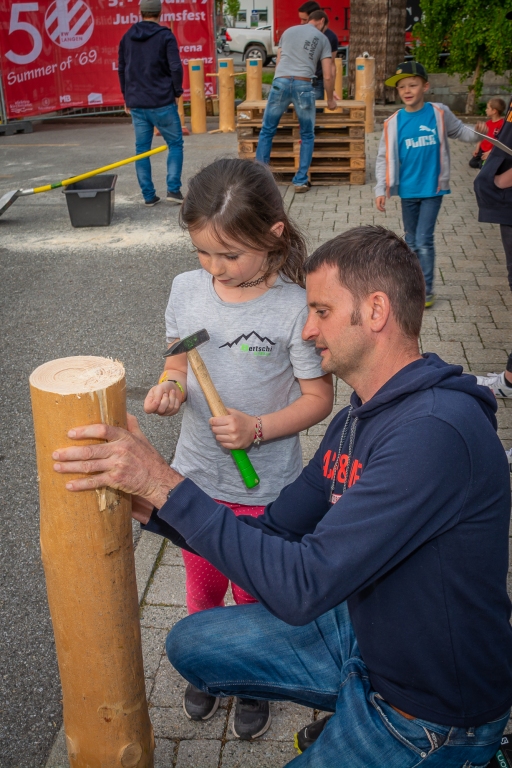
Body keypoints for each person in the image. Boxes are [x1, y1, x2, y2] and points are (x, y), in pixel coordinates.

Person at [54, 225, 512, 767]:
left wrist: (164, 482)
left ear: (375, 310)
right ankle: (348, 695)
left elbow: (301, 586)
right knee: (190, 643)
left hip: (429, 708)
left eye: (321, 310)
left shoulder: (433, 433)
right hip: (368, 636)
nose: (308, 327)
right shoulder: (354, 421)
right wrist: (155, 506)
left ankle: (466, 752)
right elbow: (273, 530)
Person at [142, 158, 333, 739]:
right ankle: (208, 665)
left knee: (254, 593)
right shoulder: (187, 289)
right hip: (196, 479)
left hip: (266, 488)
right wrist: (171, 387)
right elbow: (179, 359)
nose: (214, 268)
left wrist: (258, 428)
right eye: (203, 252)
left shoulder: (294, 307)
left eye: (229, 255)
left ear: (273, 233)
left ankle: (253, 678)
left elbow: (319, 399)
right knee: (202, 588)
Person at [375, 61, 485, 309]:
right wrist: (380, 188)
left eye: (413, 85)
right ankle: (413, 286)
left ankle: (426, 290)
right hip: (408, 191)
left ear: (425, 86)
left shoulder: (439, 113)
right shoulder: (393, 122)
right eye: (402, 86)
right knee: (411, 241)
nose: (407, 90)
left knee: (424, 239)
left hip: (433, 190)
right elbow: (383, 157)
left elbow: (461, 132)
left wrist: (478, 134)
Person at [255, 11, 336, 193]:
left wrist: (279, 85)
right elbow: (328, 75)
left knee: (267, 130)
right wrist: (330, 99)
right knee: (307, 134)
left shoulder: (288, 32)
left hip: (280, 82)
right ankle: (300, 181)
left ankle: (259, 179)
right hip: (304, 84)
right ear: (322, 21)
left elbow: (278, 62)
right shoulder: (323, 39)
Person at [118, 0, 184, 206]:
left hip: (137, 103)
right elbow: (175, 67)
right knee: (175, 144)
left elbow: (122, 68)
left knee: (142, 150)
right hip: (162, 101)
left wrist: (126, 96)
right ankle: (173, 190)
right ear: (160, 12)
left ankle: (148, 196)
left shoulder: (127, 36)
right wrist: (177, 91)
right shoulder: (166, 36)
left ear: (140, 12)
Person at [297, 2, 339, 101]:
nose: (301, 23)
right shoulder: (299, 33)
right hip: (298, 79)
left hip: (316, 82)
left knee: (315, 109)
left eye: (305, 20)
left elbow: (331, 64)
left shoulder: (330, 37)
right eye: (300, 19)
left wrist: (331, 88)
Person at [469, 97, 506, 169]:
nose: (486, 110)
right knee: (472, 163)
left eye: (488, 108)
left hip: (492, 151)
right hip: (482, 149)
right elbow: (481, 136)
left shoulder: (501, 125)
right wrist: (477, 149)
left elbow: (500, 142)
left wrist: (490, 152)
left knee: (482, 166)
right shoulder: (487, 123)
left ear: (494, 111)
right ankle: (483, 161)